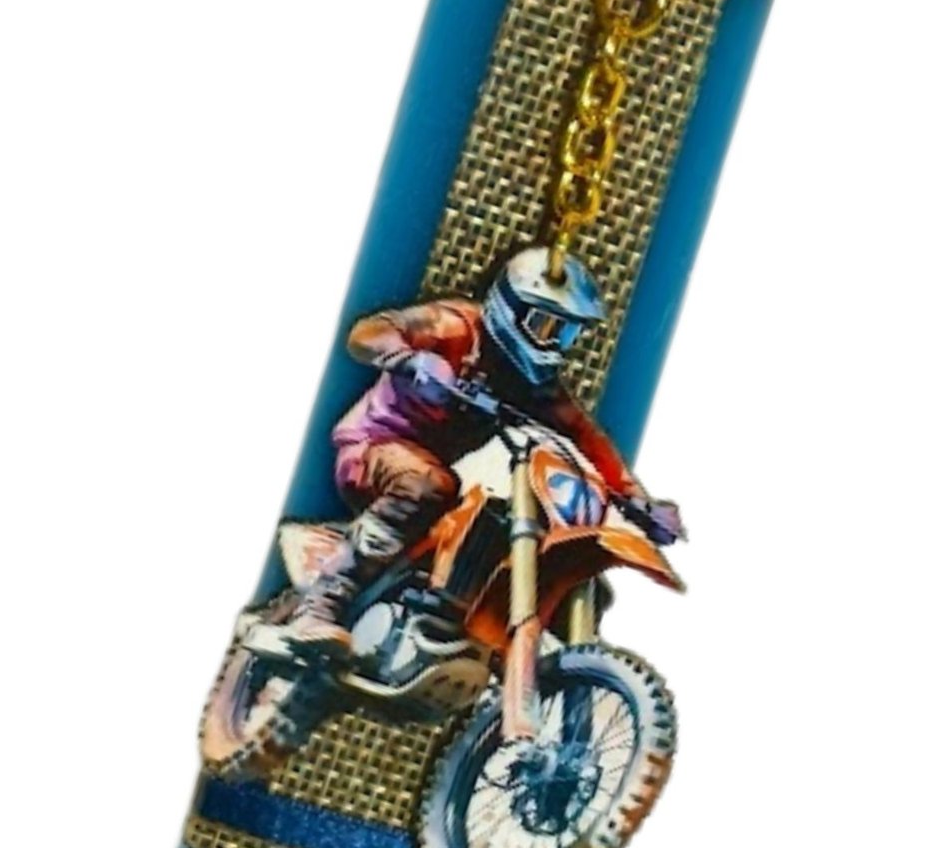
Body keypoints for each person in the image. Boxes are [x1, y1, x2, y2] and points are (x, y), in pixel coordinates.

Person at [277, 247, 683, 653]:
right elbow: (366, 333)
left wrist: (638, 501)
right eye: (544, 325)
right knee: (427, 484)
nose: (554, 344)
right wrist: (410, 360)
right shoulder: (454, 326)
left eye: (566, 333)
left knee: (496, 523)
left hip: (449, 476)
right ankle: (319, 607)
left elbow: (586, 437)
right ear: (510, 307)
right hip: (375, 447)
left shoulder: (535, 387)